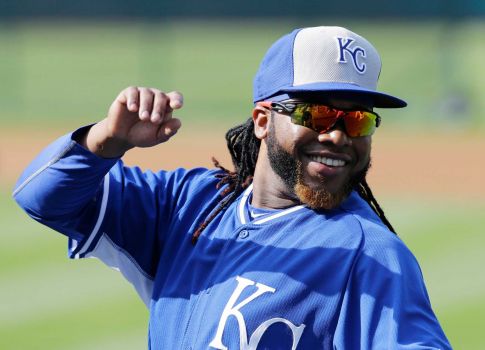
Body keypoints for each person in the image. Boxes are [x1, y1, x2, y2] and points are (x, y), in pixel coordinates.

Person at [13, 26, 451, 349]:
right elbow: (43, 198)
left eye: (357, 120)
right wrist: (106, 139)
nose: (338, 135)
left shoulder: (370, 255)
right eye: (316, 115)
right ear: (263, 120)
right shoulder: (188, 205)